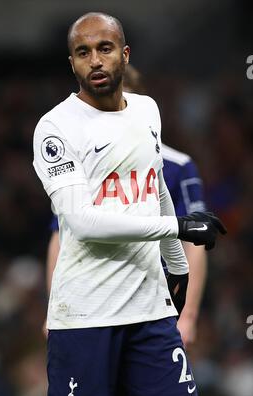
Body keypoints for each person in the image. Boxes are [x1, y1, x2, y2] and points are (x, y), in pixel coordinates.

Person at [33, 12, 226, 396]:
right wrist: (180, 228)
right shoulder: (55, 128)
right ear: (72, 63)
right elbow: (84, 223)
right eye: (83, 52)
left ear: (124, 54)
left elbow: (154, 189)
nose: (95, 60)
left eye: (104, 48)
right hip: (86, 316)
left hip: (150, 310)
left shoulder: (146, 110)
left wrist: (178, 264)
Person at [46, 65, 208, 350]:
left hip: (154, 302)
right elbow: (61, 237)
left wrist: (189, 315)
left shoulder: (178, 167)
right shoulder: (78, 163)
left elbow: (192, 243)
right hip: (92, 303)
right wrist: (55, 309)